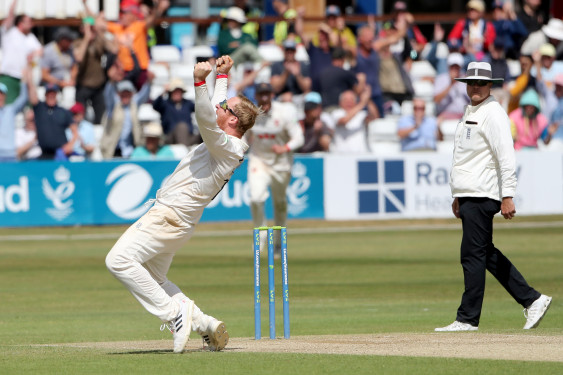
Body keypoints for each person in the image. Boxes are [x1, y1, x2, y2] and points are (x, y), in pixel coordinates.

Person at [105, 55, 261, 353]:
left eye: (226, 106)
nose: (221, 104)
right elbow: (216, 108)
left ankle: (176, 315)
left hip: (168, 217)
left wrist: (200, 82)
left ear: (232, 121)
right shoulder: (227, 140)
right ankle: (205, 324)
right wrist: (223, 76)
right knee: (154, 279)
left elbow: (204, 116)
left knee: (118, 261)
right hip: (178, 221)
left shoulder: (226, 146)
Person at [435, 61, 552, 332]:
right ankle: (532, 299)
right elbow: (465, 157)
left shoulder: (494, 113)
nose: (475, 87)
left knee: (472, 254)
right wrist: (457, 195)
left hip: (481, 193)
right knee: (484, 253)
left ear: (490, 85)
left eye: (481, 83)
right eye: (471, 83)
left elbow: (506, 156)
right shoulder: (472, 110)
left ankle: (467, 318)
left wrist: (508, 194)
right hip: (469, 193)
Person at [246, 82, 304, 253]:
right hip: (259, 161)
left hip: (281, 163)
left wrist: (284, 148)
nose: (264, 98)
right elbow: (243, 137)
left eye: (267, 94)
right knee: (256, 198)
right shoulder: (251, 114)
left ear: (272, 95)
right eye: (261, 94)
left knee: (279, 204)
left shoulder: (285, 112)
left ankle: (278, 242)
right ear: (256, 96)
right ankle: (260, 234)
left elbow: (299, 137)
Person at [100, 75, 152, 159]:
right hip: (113, 150)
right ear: (118, 94)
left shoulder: (134, 106)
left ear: (131, 94)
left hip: (130, 150)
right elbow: (108, 95)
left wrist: (149, 82)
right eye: (122, 93)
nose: (125, 95)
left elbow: (143, 95)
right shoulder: (113, 106)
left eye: (128, 93)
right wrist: (111, 82)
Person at [0, 0, 42, 104]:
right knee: (8, 106)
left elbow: (40, 51)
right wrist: (14, 2)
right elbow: (10, 15)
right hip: (8, 76)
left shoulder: (30, 37)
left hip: (24, 79)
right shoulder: (9, 32)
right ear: (20, 23)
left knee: (27, 109)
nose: (31, 25)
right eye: (28, 22)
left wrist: (33, 55)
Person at [30, 83, 79, 160]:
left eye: (53, 93)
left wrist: (70, 145)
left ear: (56, 95)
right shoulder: (40, 108)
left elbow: (75, 131)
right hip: (43, 152)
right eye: (49, 93)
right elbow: (32, 94)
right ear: (45, 95)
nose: (51, 95)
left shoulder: (63, 111)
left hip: (59, 153)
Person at [152, 78, 201, 148]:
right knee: (182, 127)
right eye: (175, 91)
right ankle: (184, 153)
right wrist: (164, 92)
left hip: (188, 137)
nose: (177, 94)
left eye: (179, 91)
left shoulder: (188, 103)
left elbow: (201, 109)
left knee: (206, 133)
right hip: (170, 137)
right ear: (170, 93)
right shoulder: (165, 104)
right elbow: (155, 106)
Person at [0, 66, 30, 162]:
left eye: (1, 94)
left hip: (10, 153)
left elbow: (23, 98)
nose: (0, 97)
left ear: (5, 96)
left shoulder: (10, 110)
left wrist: (24, 81)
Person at [328, 89, 372, 153]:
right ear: (340, 102)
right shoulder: (336, 113)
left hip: (361, 157)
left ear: (356, 101)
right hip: (340, 157)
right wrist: (362, 103)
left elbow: (374, 117)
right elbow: (343, 121)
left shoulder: (362, 114)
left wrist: (368, 100)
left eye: (351, 99)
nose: (349, 102)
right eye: (345, 100)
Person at [270, 39, 311, 103]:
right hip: (281, 98)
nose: (289, 53)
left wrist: (298, 75)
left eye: (291, 50)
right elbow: (275, 88)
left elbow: (307, 88)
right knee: (287, 98)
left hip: (299, 98)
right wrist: (286, 73)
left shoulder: (303, 65)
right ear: (283, 51)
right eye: (287, 50)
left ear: (295, 51)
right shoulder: (276, 65)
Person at [433, 52, 470, 119]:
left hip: (464, 115)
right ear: (448, 67)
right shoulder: (441, 78)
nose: (454, 69)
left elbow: (472, 99)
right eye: (452, 67)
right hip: (446, 115)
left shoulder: (466, 79)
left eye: (457, 67)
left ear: (460, 67)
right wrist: (451, 84)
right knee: (437, 122)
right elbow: (436, 99)